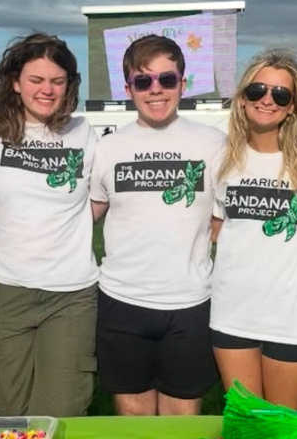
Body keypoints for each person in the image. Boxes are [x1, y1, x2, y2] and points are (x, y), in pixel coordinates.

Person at [89, 34, 226, 416]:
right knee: (133, 418)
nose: (155, 90)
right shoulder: (108, 148)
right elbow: (84, 214)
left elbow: (224, 220)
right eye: (143, 80)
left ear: (183, 83)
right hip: (122, 300)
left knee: (181, 418)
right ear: (127, 85)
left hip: (190, 301)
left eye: (167, 80)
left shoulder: (213, 144)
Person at [0, 33, 99, 417]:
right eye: (37, 80)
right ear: (15, 82)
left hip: (70, 294)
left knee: (64, 410)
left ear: (69, 85)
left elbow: (100, 197)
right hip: (4, 290)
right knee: (9, 410)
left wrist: (65, 227)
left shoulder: (83, 133)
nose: (47, 90)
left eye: (57, 81)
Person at [210, 49, 297, 410]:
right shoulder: (221, 157)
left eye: (280, 94)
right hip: (233, 312)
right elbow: (216, 228)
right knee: (247, 426)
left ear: (292, 106)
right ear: (242, 96)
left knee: (279, 430)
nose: (267, 100)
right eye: (258, 90)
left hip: (294, 314)